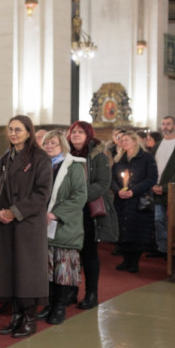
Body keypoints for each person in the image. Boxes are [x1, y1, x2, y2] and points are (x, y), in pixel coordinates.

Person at [0, 115, 52, 338]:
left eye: (18, 130)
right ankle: (15, 316)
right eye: (10, 130)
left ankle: (29, 319)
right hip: (5, 225)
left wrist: (14, 212)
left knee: (27, 273)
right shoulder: (4, 159)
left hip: (27, 225)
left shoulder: (40, 158)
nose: (13, 133)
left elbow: (42, 193)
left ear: (28, 132)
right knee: (10, 272)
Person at [37, 130, 87, 325]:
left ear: (63, 146)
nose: (49, 146)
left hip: (64, 224)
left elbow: (79, 197)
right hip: (43, 224)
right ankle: (49, 304)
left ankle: (60, 307)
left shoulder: (74, 166)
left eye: (54, 143)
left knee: (63, 270)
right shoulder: (41, 166)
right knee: (47, 268)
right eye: (46, 143)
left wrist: (55, 213)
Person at [67, 121, 118, 310]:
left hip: (88, 210)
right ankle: (70, 292)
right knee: (70, 253)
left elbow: (103, 183)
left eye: (81, 132)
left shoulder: (98, 155)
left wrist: (79, 197)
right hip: (68, 211)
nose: (76, 135)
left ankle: (91, 293)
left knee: (88, 253)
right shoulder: (66, 154)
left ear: (88, 135)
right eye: (73, 132)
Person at [110, 130, 158, 273]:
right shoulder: (119, 159)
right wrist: (118, 190)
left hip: (139, 200)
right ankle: (125, 260)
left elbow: (151, 178)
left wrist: (134, 191)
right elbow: (111, 179)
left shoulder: (146, 157)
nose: (123, 143)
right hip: (122, 200)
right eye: (122, 140)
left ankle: (134, 262)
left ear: (135, 141)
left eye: (127, 140)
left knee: (137, 232)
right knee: (123, 231)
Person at [148, 116, 175, 259]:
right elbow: (151, 166)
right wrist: (153, 184)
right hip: (155, 188)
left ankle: (172, 251)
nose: (165, 127)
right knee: (158, 219)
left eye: (168, 124)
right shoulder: (158, 144)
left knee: (173, 222)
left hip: (173, 190)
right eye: (163, 124)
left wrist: (165, 187)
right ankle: (162, 248)